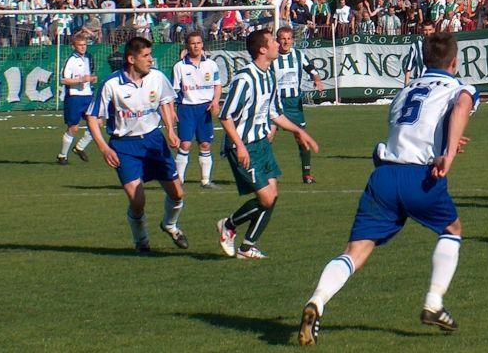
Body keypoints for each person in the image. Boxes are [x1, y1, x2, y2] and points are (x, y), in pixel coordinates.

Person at [297, 32, 478, 345]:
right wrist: (448, 153)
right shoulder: (458, 87)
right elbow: (461, 106)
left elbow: (412, 127)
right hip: (421, 176)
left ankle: (317, 300)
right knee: (452, 229)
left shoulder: (407, 89)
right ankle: (433, 304)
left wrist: (447, 139)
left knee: (356, 251)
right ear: (454, 61)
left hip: (383, 175)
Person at [215, 28, 320, 260]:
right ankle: (228, 225)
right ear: (263, 49)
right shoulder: (245, 78)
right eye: (273, 40)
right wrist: (240, 146)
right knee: (266, 198)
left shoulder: (269, 74)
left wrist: (301, 132)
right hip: (243, 146)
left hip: (262, 144)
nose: (277, 44)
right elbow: (225, 115)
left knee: (273, 194)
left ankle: (246, 247)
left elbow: (274, 113)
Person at [86, 37, 188, 253]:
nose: (151, 60)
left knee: (178, 194)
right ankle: (141, 240)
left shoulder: (157, 78)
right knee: (137, 199)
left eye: (151, 55)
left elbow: (165, 102)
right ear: (131, 59)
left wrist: (170, 129)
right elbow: (92, 117)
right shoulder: (111, 84)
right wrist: (105, 148)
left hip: (153, 141)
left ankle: (170, 225)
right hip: (124, 146)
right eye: (146, 56)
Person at [272, 26, 326, 184]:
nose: (286, 41)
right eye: (283, 38)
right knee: (268, 137)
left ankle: (307, 174)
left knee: (301, 138)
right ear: (278, 40)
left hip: (294, 103)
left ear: (292, 40)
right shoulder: (272, 56)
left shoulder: (298, 54)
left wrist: (317, 79)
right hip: (276, 102)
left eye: (288, 38)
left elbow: (311, 68)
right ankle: (265, 172)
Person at [172, 31, 221, 189]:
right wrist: (173, 110)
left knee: (205, 144)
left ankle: (205, 181)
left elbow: (217, 85)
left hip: (204, 108)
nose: (196, 46)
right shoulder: (179, 67)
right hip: (186, 108)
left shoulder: (211, 65)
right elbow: (174, 90)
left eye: (199, 43)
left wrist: (215, 101)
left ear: (202, 45)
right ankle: (179, 181)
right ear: (187, 46)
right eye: (193, 43)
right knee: (185, 144)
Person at [56, 32, 97, 165]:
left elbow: (89, 75)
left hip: (88, 95)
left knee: (96, 123)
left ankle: (79, 147)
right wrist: (80, 80)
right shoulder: (71, 60)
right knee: (73, 128)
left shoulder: (89, 58)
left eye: (85, 45)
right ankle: (62, 156)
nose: (83, 47)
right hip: (74, 97)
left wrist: (91, 80)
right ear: (74, 46)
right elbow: (63, 80)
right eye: (80, 45)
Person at [402, 20, 435, 86]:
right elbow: (409, 67)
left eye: (430, 30)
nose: (428, 32)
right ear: (421, 30)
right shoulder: (416, 45)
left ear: (434, 30)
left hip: (435, 83)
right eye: (425, 30)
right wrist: (406, 85)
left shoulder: (440, 44)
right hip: (420, 83)